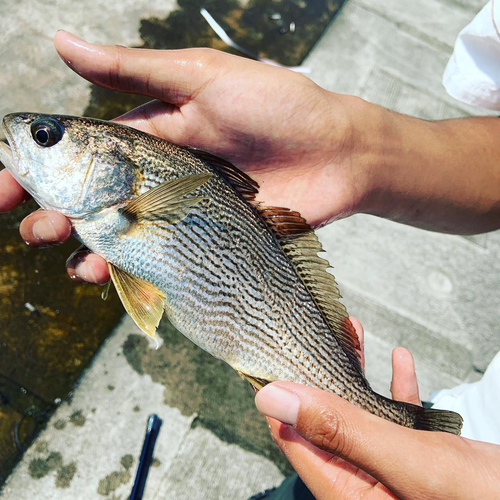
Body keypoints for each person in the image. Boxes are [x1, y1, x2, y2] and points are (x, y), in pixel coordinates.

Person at [1, 14, 500, 498]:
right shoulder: (118, 207)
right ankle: (400, 425)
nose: (24, 136)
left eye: (46, 137)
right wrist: (351, 146)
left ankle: (396, 424)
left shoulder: (127, 201)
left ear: (114, 169)